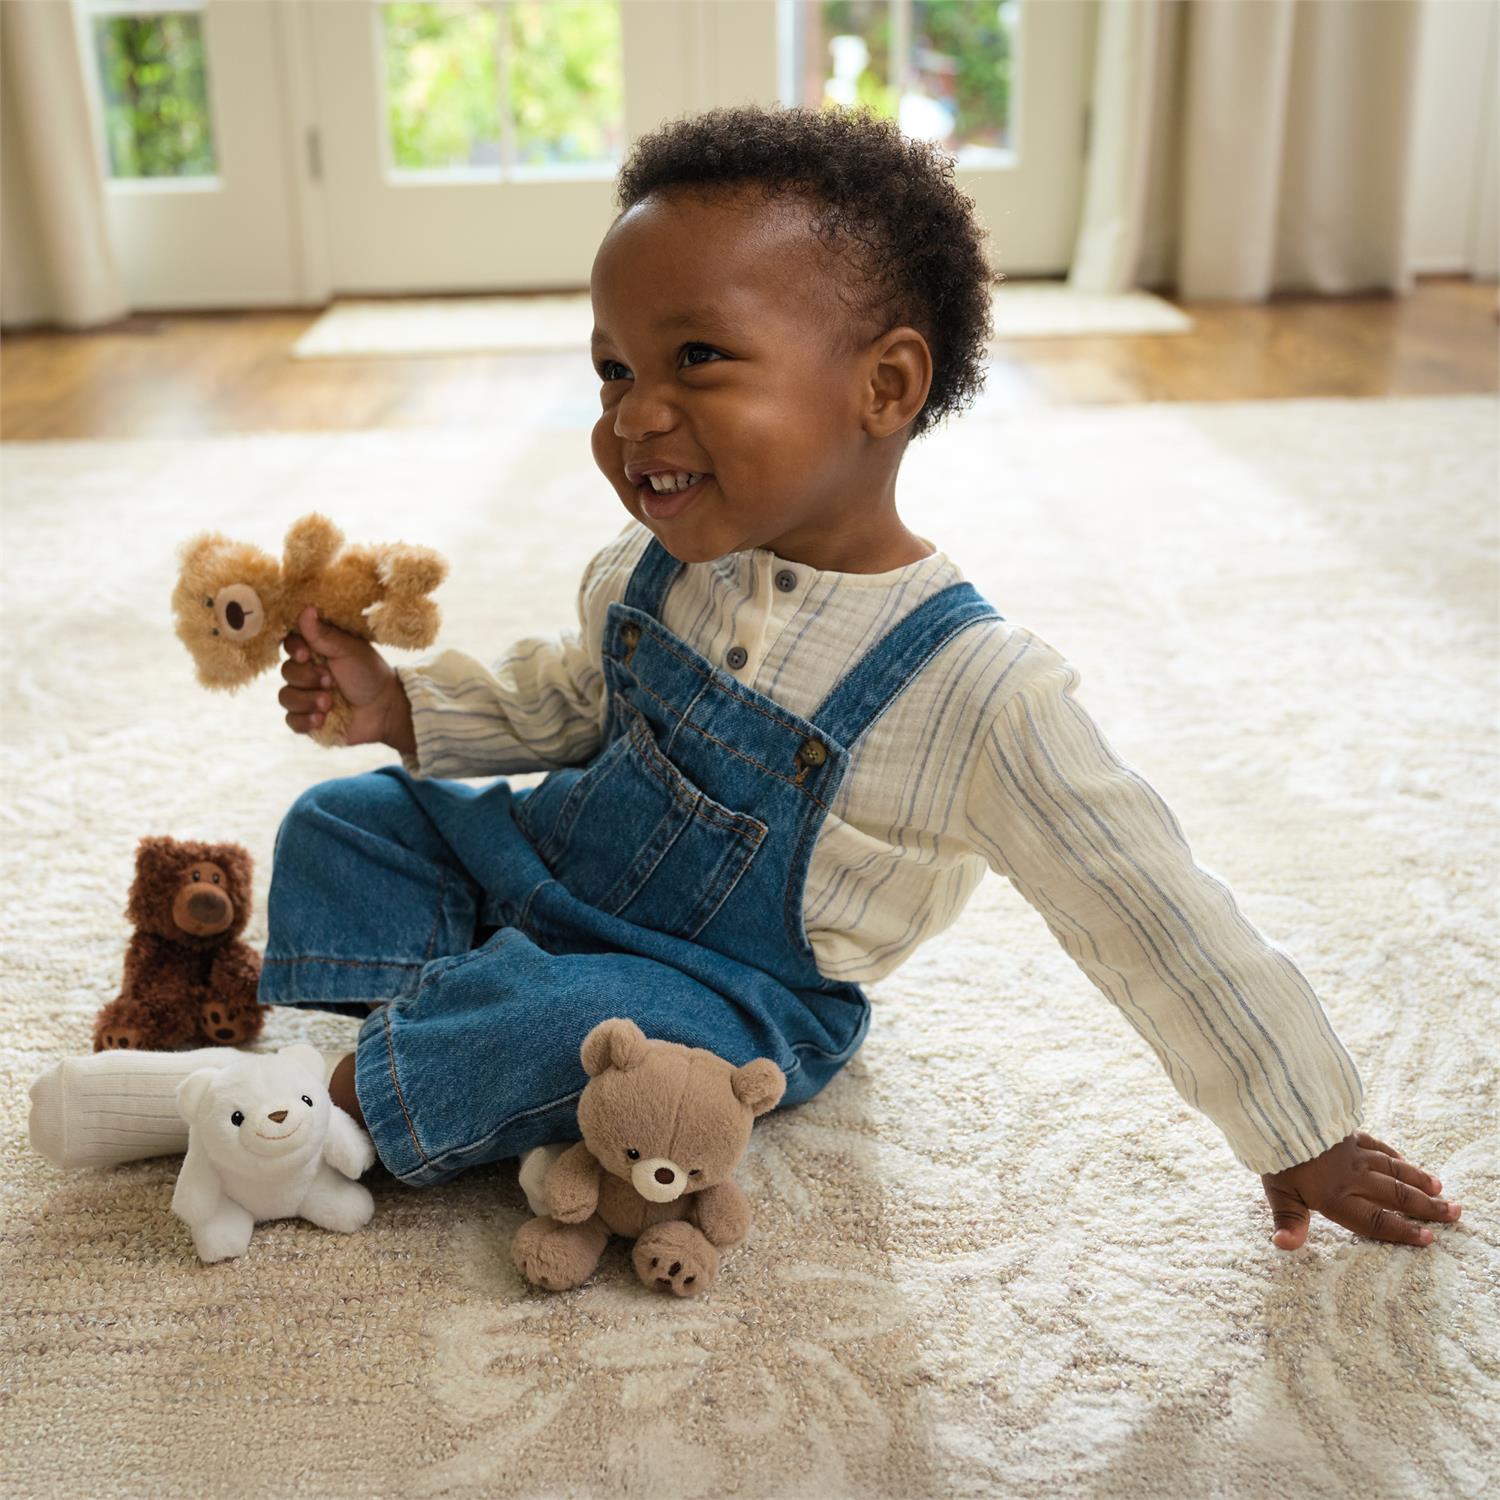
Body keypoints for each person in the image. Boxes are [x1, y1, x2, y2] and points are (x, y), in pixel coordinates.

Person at [30, 103, 1460, 1253]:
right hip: (545, 869)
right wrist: (399, 710)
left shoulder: (979, 694)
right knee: (351, 822)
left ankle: (266, 1114)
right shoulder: (652, 569)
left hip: (730, 991)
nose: (632, 416)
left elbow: (1155, 917)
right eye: (609, 370)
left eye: (696, 358)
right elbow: (567, 701)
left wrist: (1301, 1127)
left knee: (567, 1040)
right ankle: (330, 1049)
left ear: (885, 389)